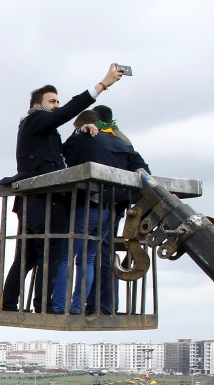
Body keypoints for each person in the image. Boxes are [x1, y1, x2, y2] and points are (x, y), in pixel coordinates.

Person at [0, 64, 126, 313]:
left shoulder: (43, 130)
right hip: (41, 200)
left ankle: (21, 303)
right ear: (38, 105)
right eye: (52, 101)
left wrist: (81, 130)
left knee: (34, 255)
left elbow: (60, 154)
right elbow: (64, 115)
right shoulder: (35, 119)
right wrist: (102, 85)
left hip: (38, 200)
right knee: (41, 255)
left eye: (57, 101)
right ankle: (32, 305)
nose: (56, 105)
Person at [62, 108, 150, 314]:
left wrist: (79, 133)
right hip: (115, 206)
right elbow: (141, 168)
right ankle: (106, 305)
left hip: (94, 203)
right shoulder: (122, 140)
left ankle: (83, 305)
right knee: (105, 255)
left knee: (84, 255)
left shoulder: (89, 136)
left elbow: (67, 154)